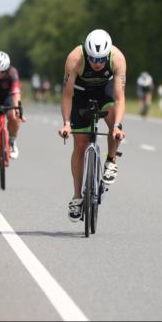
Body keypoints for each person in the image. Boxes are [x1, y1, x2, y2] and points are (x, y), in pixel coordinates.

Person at [57, 29, 127, 222]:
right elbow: (67, 95)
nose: (97, 63)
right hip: (80, 92)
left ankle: (111, 161)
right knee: (80, 143)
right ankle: (77, 197)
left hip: (105, 90)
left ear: (108, 55)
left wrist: (117, 126)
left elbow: (120, 98)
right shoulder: (74, 58)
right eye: (93, 59)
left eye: (101, 59)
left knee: (113, 122)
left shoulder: (118, 58)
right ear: (86, 54)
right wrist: (66, 124)